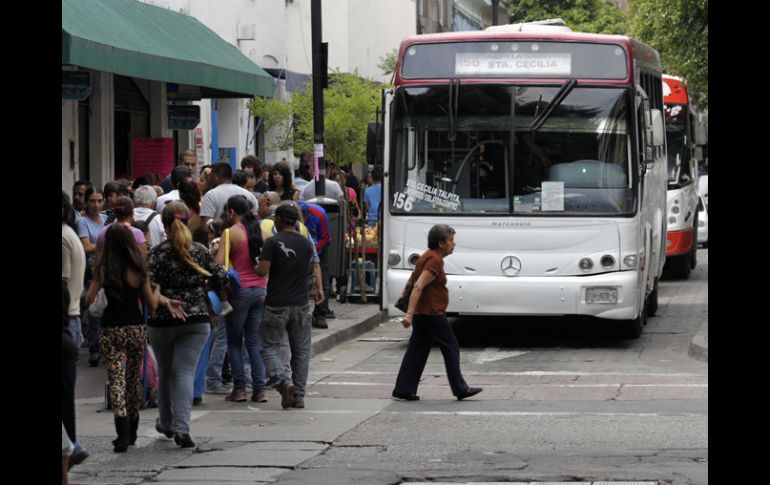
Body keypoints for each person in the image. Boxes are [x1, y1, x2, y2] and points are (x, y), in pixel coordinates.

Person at [86, 224, 182, 452]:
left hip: (111, 328)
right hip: (135, 328)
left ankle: (121, 432)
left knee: (116, 379)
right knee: (131, 380)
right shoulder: (140, 270)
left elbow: (89, 299)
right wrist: (159, 294)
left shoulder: (103, 269)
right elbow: (151, 303)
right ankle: (133, 427)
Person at [147, 201, 227, 448]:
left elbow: (147, 285)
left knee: (166, 370)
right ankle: (182, 427)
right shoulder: (200, 251)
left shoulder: (157, 253)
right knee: (183, 372)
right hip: (196, 318)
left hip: (162, 318)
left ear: (164, 222)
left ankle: (167, 421)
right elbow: (221, 277)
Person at [392, 224, 483, 401]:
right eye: (450, 240)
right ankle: (460, 388)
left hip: (423, 312)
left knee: (417, 349)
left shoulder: (427, 256)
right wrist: (409, 314)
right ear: (441, 243)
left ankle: (403, 388)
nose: (453, 244)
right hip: (431, 313)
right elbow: (418, 286)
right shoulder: (434, 260)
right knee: (450, 346)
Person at [256, 202, 324, 409]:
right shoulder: (306, 243)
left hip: (276, 303)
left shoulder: (273, 242)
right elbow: (312, 267)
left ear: (278, 220)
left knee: (268, 347)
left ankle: (283, 382)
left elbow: (262, 271)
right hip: (301, 303)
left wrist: (256, 265)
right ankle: (299, 395)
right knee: (301, 351)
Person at [215, 195, 269, 403]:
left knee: (235, 341)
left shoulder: (230, 233)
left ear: (231, 212)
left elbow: (219, 264)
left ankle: (239, 389)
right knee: (253, 341)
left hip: (240, 293)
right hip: (260, 290)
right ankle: (260, 388)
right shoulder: (261, 231)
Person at [297, 200, 334, 328]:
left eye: (305, 218)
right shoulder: (293, 220)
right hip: (302, 249)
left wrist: (313, 252)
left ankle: (320, 313)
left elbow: (325, 238)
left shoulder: (319, 214)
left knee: (322, 279)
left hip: (319, 246)